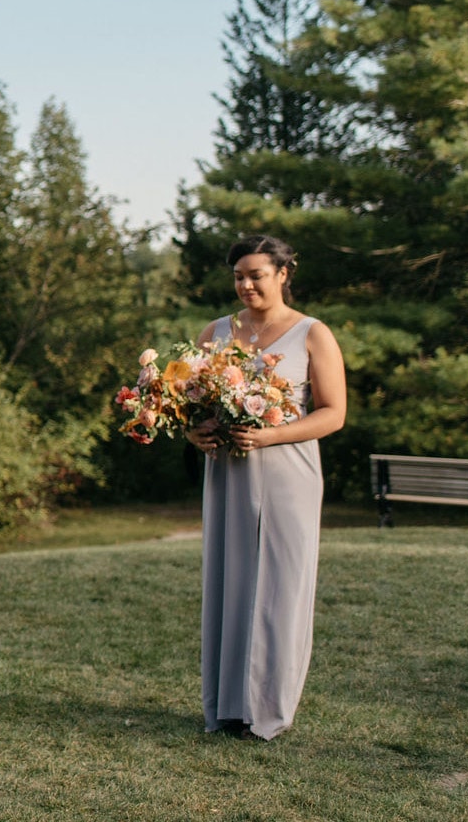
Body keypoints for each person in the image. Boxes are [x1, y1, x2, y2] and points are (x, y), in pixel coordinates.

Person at [186, 234, 347, 740]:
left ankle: (268, 712)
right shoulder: (216, 331)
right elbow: (192, 405)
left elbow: (334, 414)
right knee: (230, 583)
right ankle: (227, 708)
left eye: (257, 274)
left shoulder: (312, 334)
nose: (246, 284)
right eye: (239, 275)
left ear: (283, 273)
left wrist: (271, 435)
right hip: (229, 474)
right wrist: (196, 431)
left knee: (280, 586)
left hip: (287, 473)